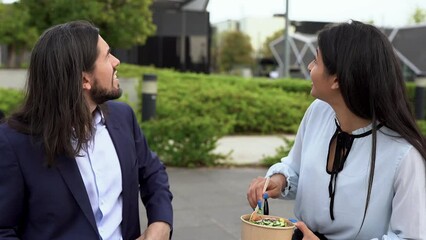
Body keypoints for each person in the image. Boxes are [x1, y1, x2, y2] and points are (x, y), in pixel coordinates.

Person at [247, 20, 426, 240]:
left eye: (316, 60)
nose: (310, 67)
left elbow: (410, 237)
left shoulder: (404, 154)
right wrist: (278, 181)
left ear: (337, 79)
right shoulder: (318, 112)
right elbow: (295, 168)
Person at [0, 20, 173, 240]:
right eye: (108, 55)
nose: (116, 61)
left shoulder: (123, 118)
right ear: (84, 79)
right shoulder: (13, 143)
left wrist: (161, 223)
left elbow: (152, 172)